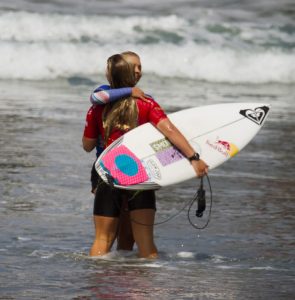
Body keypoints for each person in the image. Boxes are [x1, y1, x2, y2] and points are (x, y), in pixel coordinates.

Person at [82, 52, 208, 259]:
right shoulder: (147, 103)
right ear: (127, 72)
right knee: (146, 243)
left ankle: (99, 287)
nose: (140, 71)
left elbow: (87, 145)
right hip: (140, 176)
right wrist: (193, 158)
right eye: (135, 67)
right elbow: (169, 131)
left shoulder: (97, 108)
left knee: (102, 240)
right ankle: (143, 288)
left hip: (108, 174)